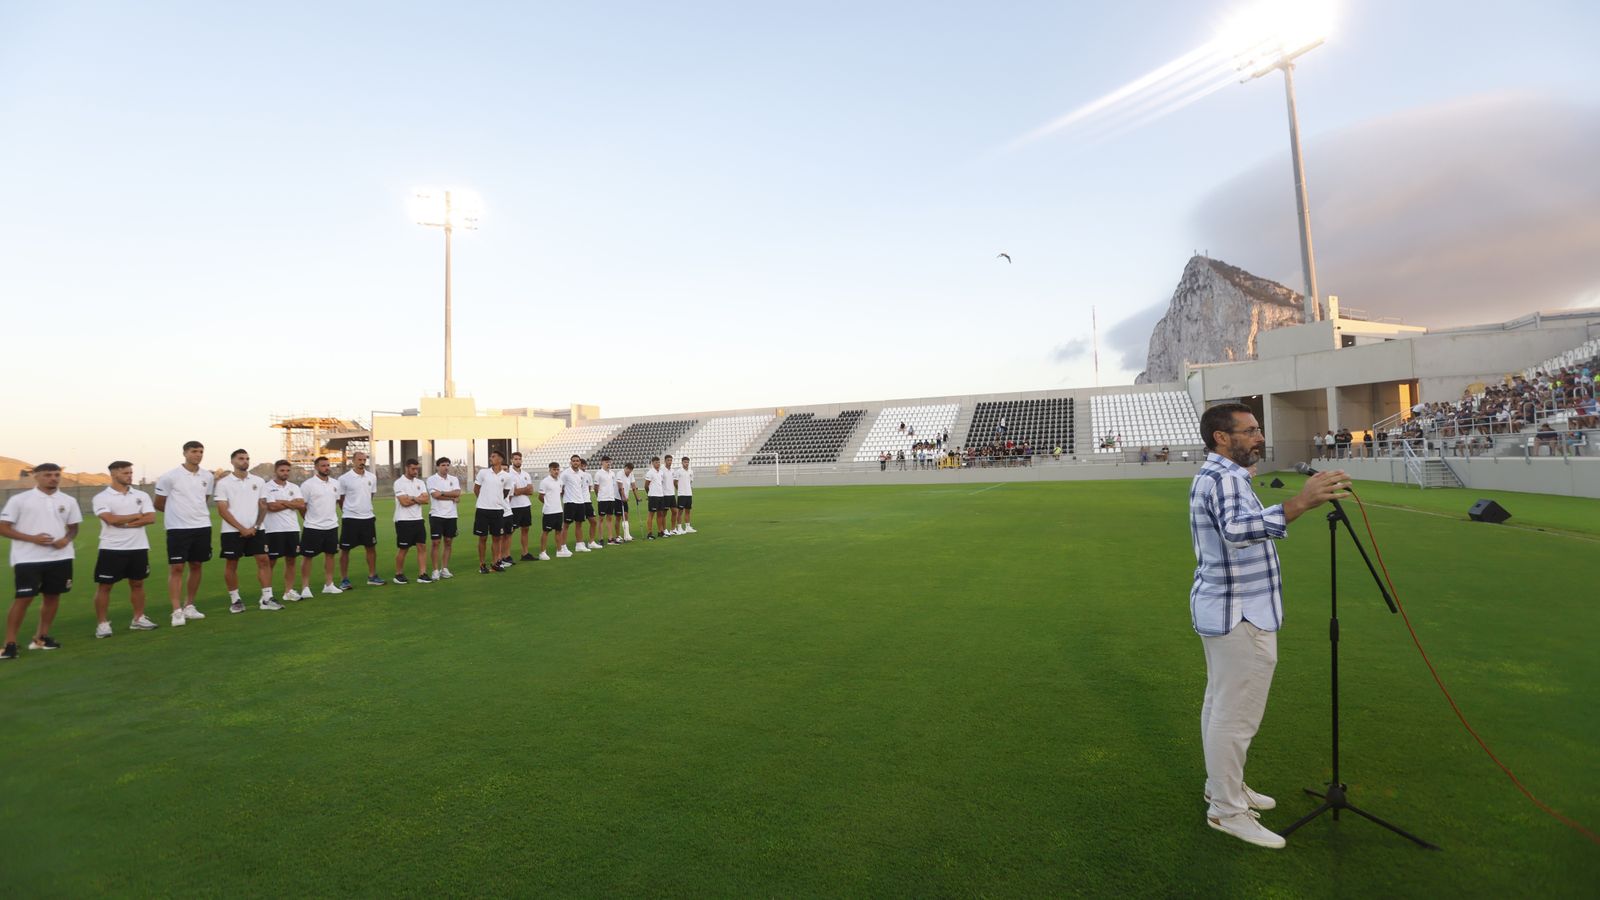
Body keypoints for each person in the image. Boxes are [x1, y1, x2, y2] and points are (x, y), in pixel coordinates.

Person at [1190, 402, 1350, 849]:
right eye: (1250, 430)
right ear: (1222, 438)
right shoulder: (1223, 479)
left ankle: (1223, 786)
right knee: (1234, 715)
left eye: (1258, 430)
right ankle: (1225, 810)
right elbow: (1237, 531)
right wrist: (1301, 502)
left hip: (1232, 609)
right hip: (1239, 613)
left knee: (1221, 705)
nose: (1259, 437)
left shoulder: (1225, 476)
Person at [0, 463, 81, 658]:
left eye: (56, 475)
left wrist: (66, 539)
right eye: (47, 475)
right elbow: (3, 527)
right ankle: (10, 643)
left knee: (53, 596)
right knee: (24, 598)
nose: (53, 478)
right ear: (36, 477)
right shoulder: (20, 500)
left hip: (61, 557)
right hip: (28, 558)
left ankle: (41, 637)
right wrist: (33, 539)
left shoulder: (68, 500)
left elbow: (73, 528)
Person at [90, 460, 159, 637]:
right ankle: (103, 624)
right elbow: (110, 520)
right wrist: (137, 515)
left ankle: (138, 619)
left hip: (138, 546)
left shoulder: (141, 495)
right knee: (105, 586)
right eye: (126, 473)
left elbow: (151, 518)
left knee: (138, 583)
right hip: (111, 548)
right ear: (114, 474)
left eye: (130, 472)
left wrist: (126, 524)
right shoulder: (102, 497)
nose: (130, 476)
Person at [153, 440, 212, 627]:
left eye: (201, 451)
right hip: (178, 528)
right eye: (194, 451)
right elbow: (159, 503)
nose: (198, 454)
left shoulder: (208, 476)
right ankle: (176, 610)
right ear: (185, 453)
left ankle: (189, 605)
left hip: (202, 526)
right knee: (177, 568)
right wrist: (177, 514)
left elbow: (204, 499)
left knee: (196, 565)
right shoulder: (169, 476)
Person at [215, 449, 278, 613]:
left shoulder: (258, 481)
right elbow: (222, 509)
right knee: (232, 563)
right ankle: (235, 600)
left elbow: (263, 505)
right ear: (232, 461)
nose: (245, 461)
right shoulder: (223, 483)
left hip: (256, 529)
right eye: (241, 458)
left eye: (247, 458)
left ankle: (267, 598)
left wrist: (255, 527)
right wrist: (242, 528)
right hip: (231, 531)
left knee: (264, 560)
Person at [296, 456, 343, 598]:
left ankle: (329, 585)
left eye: (328, 465)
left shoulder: (335, 483)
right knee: (307, 557)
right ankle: (305, 587)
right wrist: (309, 519)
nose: (326, 468)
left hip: (331, 526)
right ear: (316, 467)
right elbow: (302, 506)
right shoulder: (307, 485)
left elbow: (335, 502)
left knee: (330, 555)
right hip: (313, 527)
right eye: (323, 465)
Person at [336, 451, 384, 588]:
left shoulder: (372, 477)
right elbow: (341, 499)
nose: (362, 462)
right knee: (345, 550)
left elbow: (371, 495)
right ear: (353, 461)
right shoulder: (344, 479)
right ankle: (344, 579)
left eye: (364, 459)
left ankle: (372, 576)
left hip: (368, 518)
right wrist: (349, 510)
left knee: (371, 547)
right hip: (350, 519)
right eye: (359, 459)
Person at [260, 459, 305, 601]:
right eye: (282, 470)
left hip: (292, 529)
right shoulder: (267, 487)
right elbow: (271, 507)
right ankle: (266, 595)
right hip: (273, 530)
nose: (285, 473)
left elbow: (301, 505)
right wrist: (291, 503)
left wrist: (282, 502)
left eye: (287, 470)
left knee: (291, 561)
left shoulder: (294, 487)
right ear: (275, 471)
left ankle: (288, 591)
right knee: (270, 562)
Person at [392, 458, 431, 584]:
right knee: (404, 548)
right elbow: (404, 502)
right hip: (403, 520)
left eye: (417, 469)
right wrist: (417, 498)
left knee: (422, 546)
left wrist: (412, 498)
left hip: (418, 519)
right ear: (407, 468)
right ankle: (398, 574)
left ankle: (422, 574)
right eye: (413, 469)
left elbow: (426, 500)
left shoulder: (420, 482)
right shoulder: (399, 483)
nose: (415, 471)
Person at [473, 450, 512, 573]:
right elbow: (476, 489)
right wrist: (484, 501)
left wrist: (496, 501)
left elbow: (505, 493)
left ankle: (495, 563)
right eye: (490, 456)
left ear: (500, 459)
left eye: (494, 456)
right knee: (483, 538)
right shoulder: (483, 472)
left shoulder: (506, 476)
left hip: (498, 511)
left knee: (497, 538)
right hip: (483, 510)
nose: (491, 458)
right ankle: (482, 564)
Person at [426, 457, 461, 580]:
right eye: (443, 465)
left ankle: (444, 568)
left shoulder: (454, 479)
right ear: (437, 467)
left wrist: (442, 492)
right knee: (436, 543)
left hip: (451, 515)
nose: (446, 467)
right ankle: (435, 570)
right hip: (437, 515)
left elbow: (457, 493)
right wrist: (451, 497)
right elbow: (435, 495)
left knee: (448, 542)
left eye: (447, 465)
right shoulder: (432, 479)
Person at [508, 452, 536, 561]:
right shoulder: (509, 474)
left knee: (525, 529)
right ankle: (506, 555)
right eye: (515, 459)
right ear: (511, 460)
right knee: (510, 531)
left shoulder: (525, 474)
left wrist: (521, 490)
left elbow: (531, 491)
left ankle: (525, 553)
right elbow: (513, 492)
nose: (518, 461)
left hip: (525, 505)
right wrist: (524, 490)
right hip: (514, 506)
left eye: (519, 459)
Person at [560, 455, 591, 552]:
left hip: (580, 502)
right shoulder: (565, 474)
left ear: (580, 463)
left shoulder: (582, 474)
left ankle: (579, 545)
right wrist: (564, 498)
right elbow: (561, 488)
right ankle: (562, 546)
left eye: (577, 461)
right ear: (571, 462)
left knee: (579, 524)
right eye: (574, 461)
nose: (576, 463)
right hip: (570, 502)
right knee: (566, 525)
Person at [538, 461, 565, 560]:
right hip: (549, 511)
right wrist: (548, 504)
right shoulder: (545, 481)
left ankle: (559, 551)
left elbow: (560, 494)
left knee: (558, 531)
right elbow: (540, 497)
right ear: (550, 470)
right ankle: (542, 552)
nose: (556, 471)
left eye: (558, 469)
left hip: (559, 510)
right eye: (554, 469)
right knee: (546, 531)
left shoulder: (560, 481)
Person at [594, 456, 621, 545]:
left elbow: (613, 486)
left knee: (610, 518)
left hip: (611, 498)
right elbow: (596, 488)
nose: (608, 463)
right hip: (602, 499)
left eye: (609, 462)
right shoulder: (599, 474)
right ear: (602, 463)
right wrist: (600, 496)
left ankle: (610, 538)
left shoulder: (612, 473)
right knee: (601, 519)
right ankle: (601, 539)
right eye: (606, 462)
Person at [644, 455, 668, 540]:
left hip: (661, 495)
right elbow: (646, 486)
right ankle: (649, 533)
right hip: (653, 496)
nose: (658, 464)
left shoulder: (661, 472)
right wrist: (649, 494)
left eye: (658, 462)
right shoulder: (650, 472)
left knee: (660, 514)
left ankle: (660, 532)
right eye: (656, 462)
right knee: (651, 514)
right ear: (652, 463)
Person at [617, 462, 638, 542]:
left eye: (631, 470)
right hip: (618, 498)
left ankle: (627, 535)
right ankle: (618, 536)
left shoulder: (631, 474)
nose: (629, 471)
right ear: (625, 468)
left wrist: (637, 497)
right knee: (618, 517)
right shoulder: (620, 473)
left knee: (625, 515)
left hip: (625, 498)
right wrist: (623, 496)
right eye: (628, 469)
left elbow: (633, 485)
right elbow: (620, 486)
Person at [675, 456, 696, 534]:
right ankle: (679, 527)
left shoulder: (691, 471)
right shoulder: (678, 471)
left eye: (687, 462)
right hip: (681, 494)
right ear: (682, 462)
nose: (686, 463)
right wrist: (679, 489)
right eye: (685, 462)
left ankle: (687, 527)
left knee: (688, 511)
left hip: (689, 494)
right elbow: (675, 482)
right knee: (680, 512)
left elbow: (690, 482)